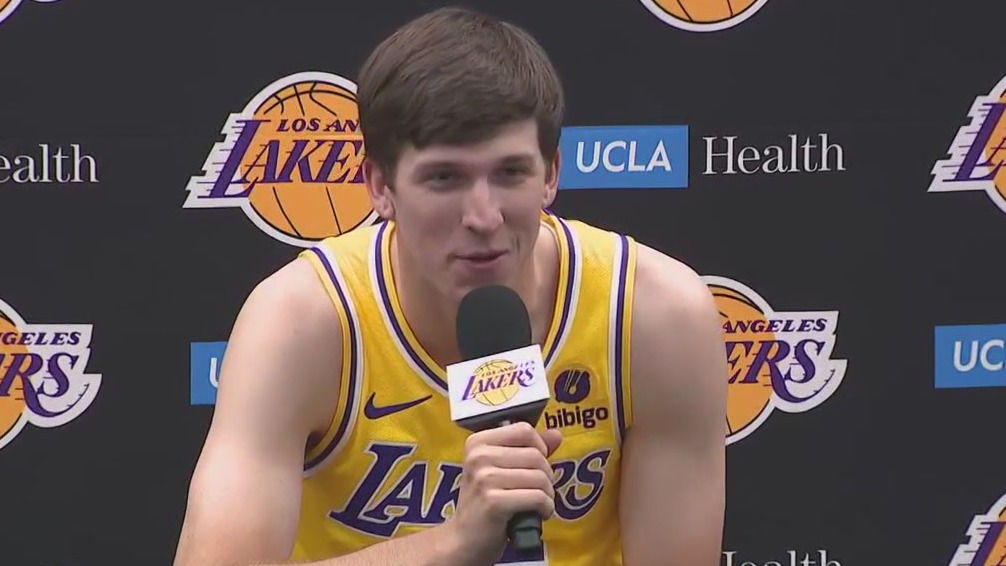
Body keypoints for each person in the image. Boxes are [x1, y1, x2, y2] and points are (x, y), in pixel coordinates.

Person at [172, 6, 727, 566]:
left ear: (552, 174)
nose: (483, 216)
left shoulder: (651, 313)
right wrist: (455, 544)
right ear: (380, 187)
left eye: (510, 173)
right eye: (444, 178)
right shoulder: (303, 321)